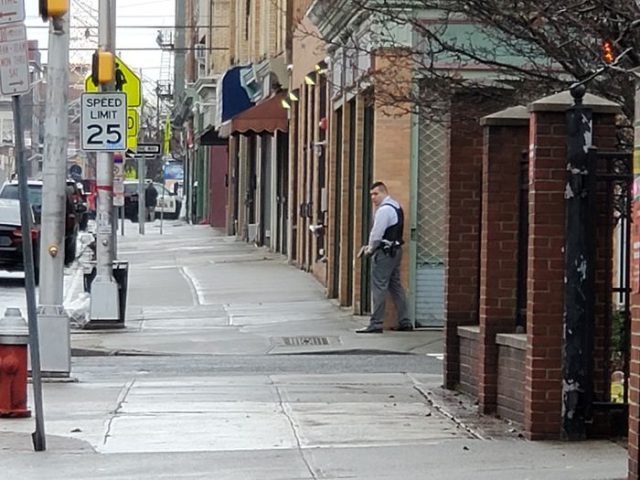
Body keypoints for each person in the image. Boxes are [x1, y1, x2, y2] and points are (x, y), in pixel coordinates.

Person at [356, 181, 413, 334]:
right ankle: (405, 320)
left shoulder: (384, 210)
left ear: (383, 192)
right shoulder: (396, 206)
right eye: (371, 195)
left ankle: (376, 323)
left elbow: (376, 234)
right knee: (395, 286)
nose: (373, 198)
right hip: (395, 251)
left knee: (379, 287)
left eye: (375, 194)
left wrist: (369, 250)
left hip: (384, 253)